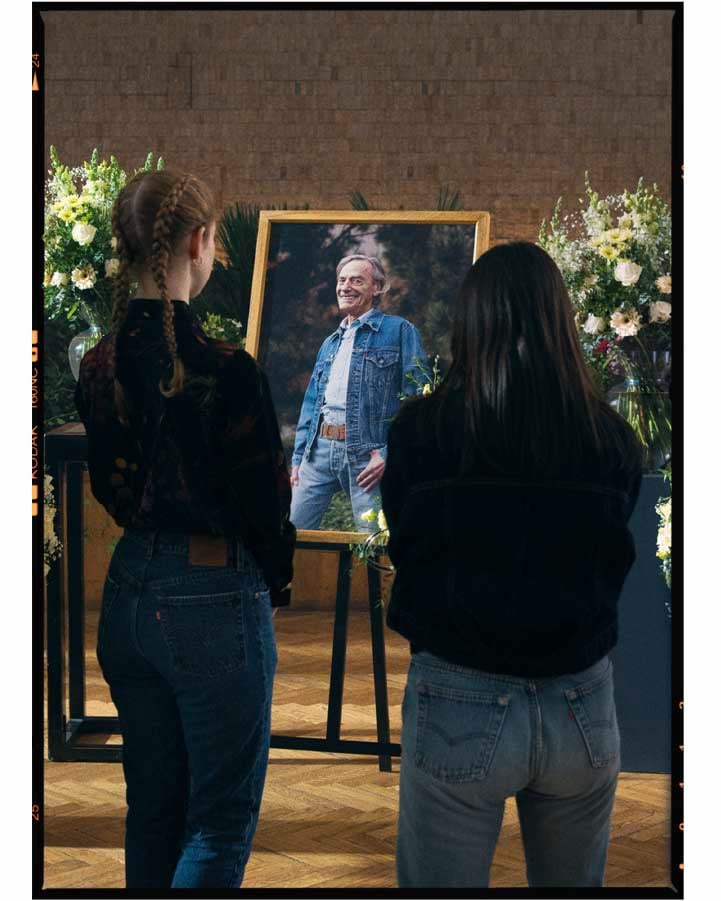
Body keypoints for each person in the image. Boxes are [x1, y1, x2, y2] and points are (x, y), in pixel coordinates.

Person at [379, 242, 643, 888]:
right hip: (579, 697)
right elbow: (611, 562)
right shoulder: (610, 440)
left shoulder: (423, 431)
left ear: (470, 321)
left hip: (457, 693)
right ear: (559, 319)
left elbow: (405, 543)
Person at [74, 169, 296, 889]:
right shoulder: (227, 367)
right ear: (200, 242)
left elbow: (111, 485)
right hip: (210, 597)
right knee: (220, 821)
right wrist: (276, 576)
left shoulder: (99, 362)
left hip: (129, 593)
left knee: (154, 811)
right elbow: (265, 500)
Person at [290, 254, 429, 531]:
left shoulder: (400, 330)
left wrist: (388, 454)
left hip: (368, 455)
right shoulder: (329, 343)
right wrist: (298, 458)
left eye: (357, 280)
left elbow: (419, 401)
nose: (346, 287)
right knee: (292, 533)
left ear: (376, 288)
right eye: (342, 281)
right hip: (318, 452)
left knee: (374, 542)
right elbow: (311, 403)